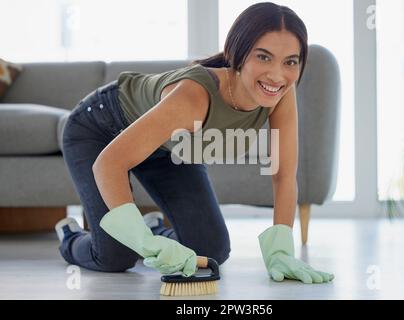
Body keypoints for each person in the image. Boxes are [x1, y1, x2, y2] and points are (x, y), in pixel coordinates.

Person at [55, 2, 334, 284]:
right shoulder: (193, 98)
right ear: (237, 54)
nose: (277, 75)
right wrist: (139, 240)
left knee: (211, 249)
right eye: (263, 57)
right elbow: (109, 163)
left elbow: (284, 175)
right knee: (117, 255)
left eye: (290, 61)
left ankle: (155, 230)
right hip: (101, 130)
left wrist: (281, 250)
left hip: (169, 148)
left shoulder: (280, 92)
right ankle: (70, 235)